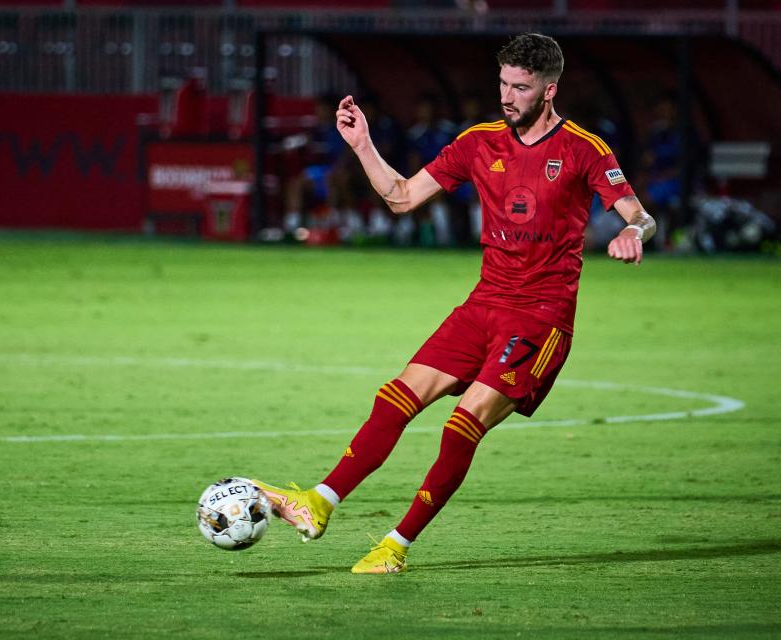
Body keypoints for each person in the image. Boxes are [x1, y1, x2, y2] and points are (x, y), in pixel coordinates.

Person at [253, 33, 655, 574]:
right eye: (502, 84)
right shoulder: (478, 142)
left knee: (462, 423)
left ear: (549, 90)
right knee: (397, 396)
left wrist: (635, 233)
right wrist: (363, 146)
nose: (507, 96)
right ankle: (319, 503)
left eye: (520, 87)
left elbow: (640, 213)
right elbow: (401, 198)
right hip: (483, 304)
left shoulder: (584, 149)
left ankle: (395, 545)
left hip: (540, 318)